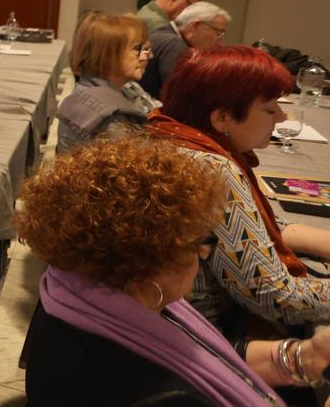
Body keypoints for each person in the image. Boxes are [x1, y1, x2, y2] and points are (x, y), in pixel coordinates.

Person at [17, 137, 330, 405]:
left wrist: (303, 357)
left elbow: (199, 355)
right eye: (199, 246)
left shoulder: (78, 291)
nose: (202, 258)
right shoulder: (158, 394)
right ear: (153, 264)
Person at [149, 46, 330, 330]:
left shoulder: (167, 134)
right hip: (202, 333)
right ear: (221, 118)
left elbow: (251, 225)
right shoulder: (213, 170)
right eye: (270, 108)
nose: (282, 117)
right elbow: (276, 298)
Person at [55, 13, 152, 154]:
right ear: (107, 56)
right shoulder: (110, 119)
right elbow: (137, 166)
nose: (145, 56)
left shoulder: (99, 89)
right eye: (137, 49)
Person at [139, 1, 230, 98]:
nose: (220, 41)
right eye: (218, 32)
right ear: (196, 25)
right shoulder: (174, 46)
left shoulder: (161, 34)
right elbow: (181, 96)